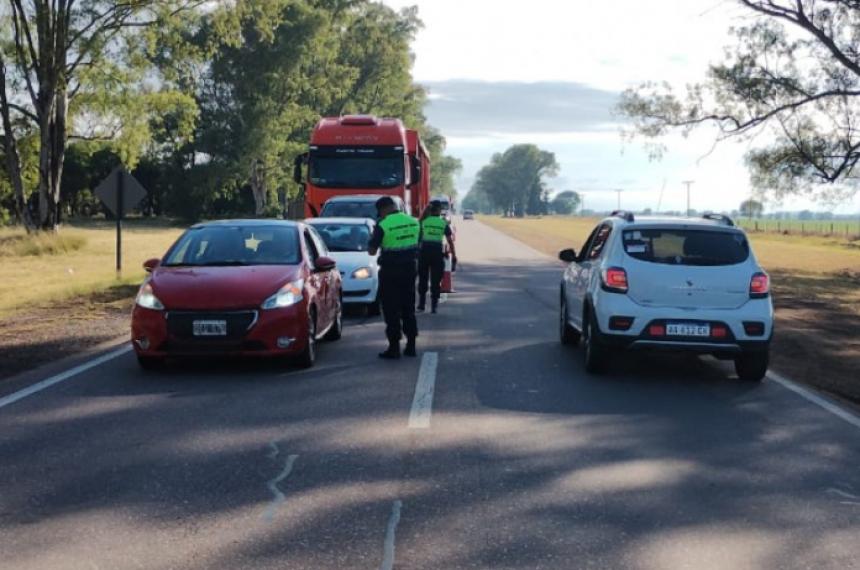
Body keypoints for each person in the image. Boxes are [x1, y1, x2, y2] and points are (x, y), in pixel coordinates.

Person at [368, 196, 421, 359]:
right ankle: (411, 346)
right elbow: (418, 243)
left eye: (380, 212)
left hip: (390, 273)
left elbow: (371, 251)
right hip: (410, 270)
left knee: (391, 310)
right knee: (408, 308)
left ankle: (394, 348)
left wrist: (373, 238)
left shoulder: (383, 225)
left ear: (383, 209)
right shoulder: (414, 222)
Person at [417, 201, 456, 314]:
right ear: (439, 210)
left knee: (423, 279)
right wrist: (454, 255)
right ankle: (434, 306)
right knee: (435, 281)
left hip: (424, 252)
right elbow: (450, 241)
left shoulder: (423, 221)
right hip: (437, 253)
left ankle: (421, 305)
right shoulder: (443, 223)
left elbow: (418, 239)